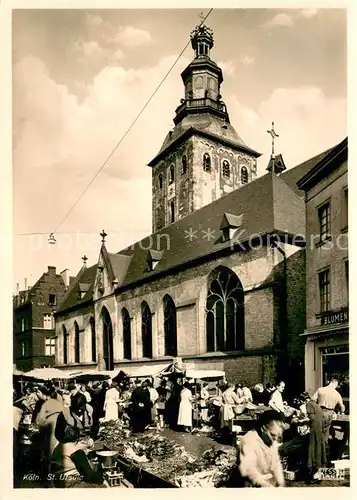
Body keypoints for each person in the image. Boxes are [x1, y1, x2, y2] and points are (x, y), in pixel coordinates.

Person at [236, 410, 285, 487]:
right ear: (263, 428)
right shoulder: (249, 441)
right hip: (250, 487)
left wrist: (280, 481)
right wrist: (264, 484)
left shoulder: (270, 441)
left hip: (268, 483)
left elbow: (276, 463)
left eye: (278, 436)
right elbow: (249, 469)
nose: (275, 439)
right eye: (272, 435)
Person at [312, 377, 345, 464]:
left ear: (329, 382)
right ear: (336, 384)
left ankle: (314, 459)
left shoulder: (320, 390)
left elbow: (312, 401)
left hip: (318, 414)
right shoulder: (337, 394)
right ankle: (323, 459)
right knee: (324, 438)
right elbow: (342, 408)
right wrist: (339, 411)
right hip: (328, 415)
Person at [300, 392, 326, 483]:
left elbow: (312, 418)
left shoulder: (309, 404)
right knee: (318, 450)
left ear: (303, 400)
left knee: (313, 450)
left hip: (314, 430)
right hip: (320, 429)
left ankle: (315, 474)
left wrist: (302, 420)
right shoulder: (315, 404)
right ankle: (318, 473)